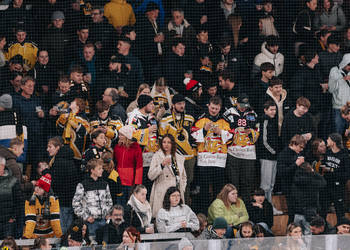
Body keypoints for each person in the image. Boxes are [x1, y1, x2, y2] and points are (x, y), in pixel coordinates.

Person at [191, 96, 232, 213]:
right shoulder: (201, 119)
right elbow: (192, 136)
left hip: (219, 161)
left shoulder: (225, 120)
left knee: (218, 189)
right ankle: (204, 213)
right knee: (203, 189)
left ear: (220, 108)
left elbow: (231, 137)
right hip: (205, 161)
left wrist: (221, 132)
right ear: (208, 105)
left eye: (216, 108)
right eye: (212, 108)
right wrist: (204, 130)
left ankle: (217, 212)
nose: (214, 110)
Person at [158, 94, 196, 203]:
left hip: (189, 157)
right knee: (173, 182)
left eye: (183, 103)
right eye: (179, 104)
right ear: (173, 105)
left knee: (187, 183)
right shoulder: (165, 119)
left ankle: (185, 206)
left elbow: (194, 136)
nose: (182, 106)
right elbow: (161, 139)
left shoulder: (190, 118)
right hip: (174, 156)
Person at [223, 93, 259, 202]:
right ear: (236, 103)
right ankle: (232, 205)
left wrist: (251, 132)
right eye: (241, 104)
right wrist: (235, 132)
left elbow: (258, 130)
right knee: (233, 182)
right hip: (233, 152)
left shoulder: (252, 114)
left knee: (247, 182)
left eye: (245, 104)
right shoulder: (228, 113)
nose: (244, 107)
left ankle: (246, 205)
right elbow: (223, 129)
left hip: (248, 153)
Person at [46, 137, 80, 234]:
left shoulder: (59, 162)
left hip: (62, 202)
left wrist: (46, 173)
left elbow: (56, 183)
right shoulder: (69, 159)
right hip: (70, 201)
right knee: (69, 230)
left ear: (57, 147)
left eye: (50, 147)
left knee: (63, 232)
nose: (47, 149)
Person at [72, 159, 113, 238]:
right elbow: (76, 203)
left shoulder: (105, 184)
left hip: (104, 221)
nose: (102, 171)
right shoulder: (83, 185)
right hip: (90, 223)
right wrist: (86, 217)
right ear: (92, 170)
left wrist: (108, 214)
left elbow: (109, 201)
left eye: (102, 168)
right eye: (99, 169)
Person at [148, 134, 187, 218]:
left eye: (169, 142)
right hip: (162, 192)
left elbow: (183, 176)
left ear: (172, 144)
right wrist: (162, 165)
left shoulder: (179, 158)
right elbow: (150, 175)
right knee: (163, 218)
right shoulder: (157, 156)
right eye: (164, 142)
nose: (166, 144)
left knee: (176, 218)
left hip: (176, 192)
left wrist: (182, 188)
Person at [127, 95, 158, 195]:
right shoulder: (134, 117)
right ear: (144, 105)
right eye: (151, 104)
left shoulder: (151, 117)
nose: (153, 106)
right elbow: (130, 135)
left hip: (151, 156)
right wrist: (147, 131)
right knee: (139, 187)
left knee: (149, 186)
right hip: (139, 157)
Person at [256, 100, 282, 215]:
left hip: (274, 157)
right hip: (266, 156)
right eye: (271, 109)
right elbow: (264, 140)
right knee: (265, 185)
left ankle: (269, 207)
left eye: (275, 109)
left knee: (271, 185)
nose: (274, 112)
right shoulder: (264, 120)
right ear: (265, 110)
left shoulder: (273, 120)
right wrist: (272, 152)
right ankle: (265, 208)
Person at [319, 133, 350, 223]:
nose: (327, 141)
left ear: (333, 142)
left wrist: (332, 171)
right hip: (326, 186)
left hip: (338, 187)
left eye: (328, 139)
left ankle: (342, 232)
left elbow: (347, 174)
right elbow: (323, 165)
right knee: (323, 211)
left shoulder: (344, 155)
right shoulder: (327, 152)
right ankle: (321, 232)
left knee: (340, 212)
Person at [276, 135, 307, 223]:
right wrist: (296, 164)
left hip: (300, 187)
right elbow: (282, 172)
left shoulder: (299, 154)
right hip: (289, 187)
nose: (301, 150)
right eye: (300, 147)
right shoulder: (283, 154)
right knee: (292, 214)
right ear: (294, 144)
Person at [23, 174, 62, 239]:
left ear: (46, 191)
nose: (37, 189)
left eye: (40, 188)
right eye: (36, 186)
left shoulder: (53, 200)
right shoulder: (30, 200)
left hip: (49, 236)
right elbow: (30, 220)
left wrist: (60, 236)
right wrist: (27, 236)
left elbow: (55, 220)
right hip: (34, 236)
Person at [292, 162, 326, 235]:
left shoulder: (295, 180)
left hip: (297, 211)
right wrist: (314, 172)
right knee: (308, 235)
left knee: (296, 234)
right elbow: (323, 182)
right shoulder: (312, 180)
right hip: (310, 211)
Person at [113, 125, 143, 205]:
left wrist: (137, 183)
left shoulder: (136, 148)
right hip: (119, 180)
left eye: (122, 135)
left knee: (129, 203)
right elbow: (114, 163)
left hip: (130, 182)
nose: (119, 136)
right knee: (119, 202)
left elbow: (139, 166)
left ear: (127, 136)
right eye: (119, 134)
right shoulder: (117, 147)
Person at [56, 98, 90, 166]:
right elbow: (59, 129)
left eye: (73, 102)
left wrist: (75, 124)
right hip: (64, 146)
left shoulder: (83, 118)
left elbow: (85, 132)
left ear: (78, 106)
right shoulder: (65, 115)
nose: (71, 102)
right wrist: (62, 120)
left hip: (76, 148)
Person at [0, 156, 23, 239]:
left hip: (7, 223)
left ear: (2, 166)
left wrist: (13, 217)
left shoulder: (13, 181)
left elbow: (19, 201)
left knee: (6, 245)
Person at [328, 53, 350, 134]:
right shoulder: (334, 71)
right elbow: (331, 89)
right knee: (337, 132)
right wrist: (342, 79)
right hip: (338, 107)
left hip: (349, 106)